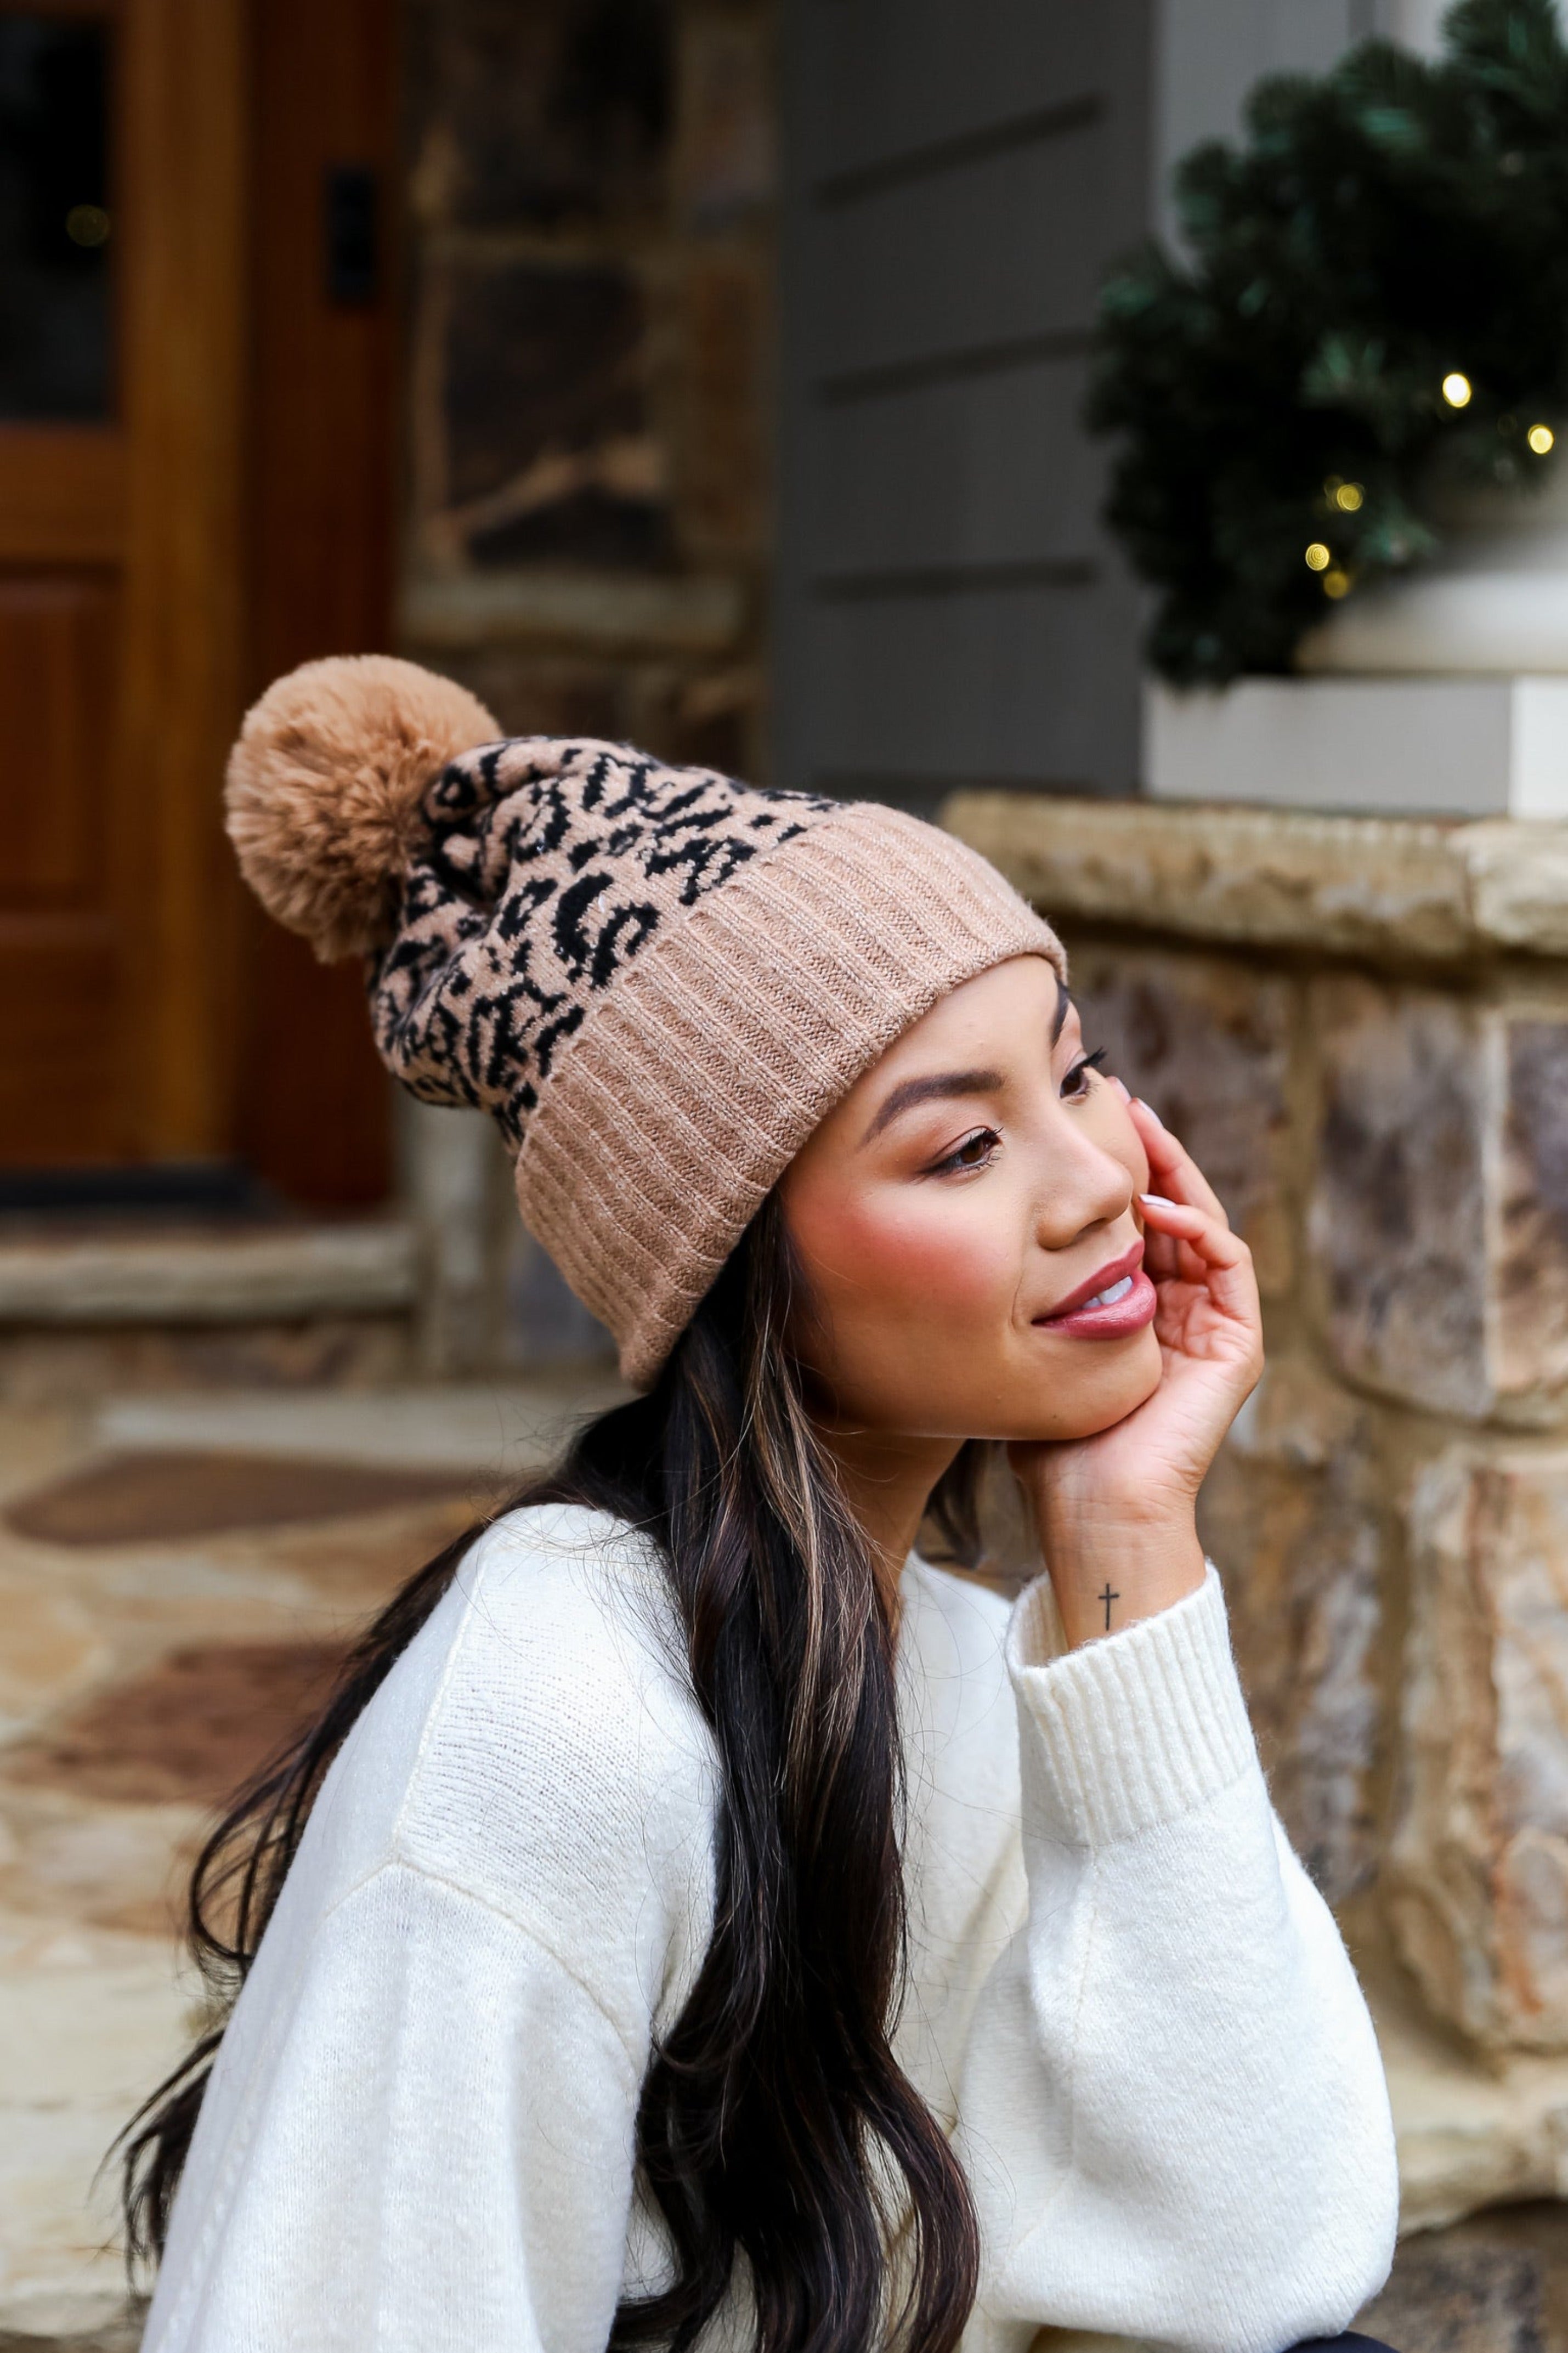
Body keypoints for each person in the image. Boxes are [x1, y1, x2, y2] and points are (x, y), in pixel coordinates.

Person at [123, 658, 1402, 2353]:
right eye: (960, 1149)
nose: (1098, 1177)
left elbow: (1254, 2271)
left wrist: (1125, 1536)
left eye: (1077, 1071)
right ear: (731, 1261)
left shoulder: (955, 1669)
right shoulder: (556, 1726)